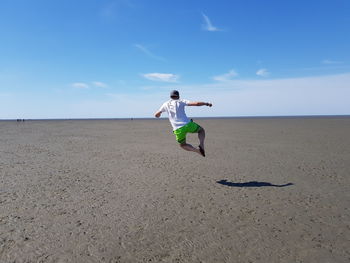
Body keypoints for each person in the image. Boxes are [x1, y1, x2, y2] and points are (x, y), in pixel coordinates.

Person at [154, 90, 212, 157]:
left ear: (170, 96)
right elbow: (196, 103)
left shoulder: (165, 104)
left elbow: (156, 115)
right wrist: (206, 103)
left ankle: (197, 150)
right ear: (178, 96)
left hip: (177, 129)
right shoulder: (181, 101)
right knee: (201, 130)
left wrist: (159, 114)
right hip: (187, 124)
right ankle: (201, 145)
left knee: (183, 145)